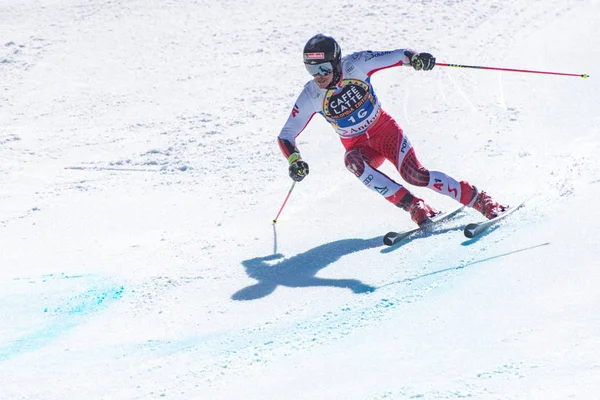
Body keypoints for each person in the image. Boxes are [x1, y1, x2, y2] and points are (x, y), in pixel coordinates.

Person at [277, 33, 505, 226]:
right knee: (352, 162)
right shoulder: (311, 95)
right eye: (311, 69)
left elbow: (399, 55)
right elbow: (286, 134)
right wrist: (294, 160)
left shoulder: (357, 64)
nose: (318, 76)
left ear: (336, 63)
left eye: (324, 68)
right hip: (360, 147)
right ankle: (415, 205)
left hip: (386, 133)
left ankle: (480, 199)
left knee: (415, 175)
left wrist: (416, 58)